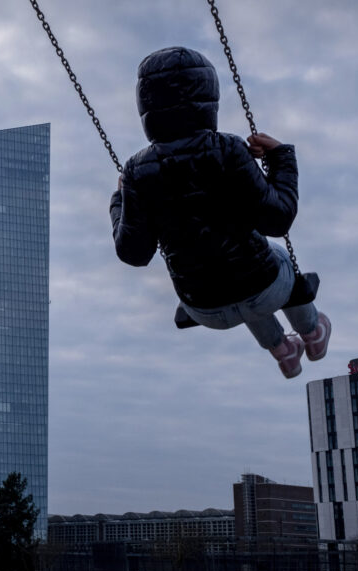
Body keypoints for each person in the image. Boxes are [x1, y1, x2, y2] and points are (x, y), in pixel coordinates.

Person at [109, 46, 330, 378]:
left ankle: (283, 350)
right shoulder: (227, 149)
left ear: (145, 106)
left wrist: (119, 199)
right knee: (267, 262)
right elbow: (278, 218)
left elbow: (134, 253)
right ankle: (313, 333)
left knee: (238, 282)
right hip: (264, 286)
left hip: (204, 309)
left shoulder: (137, 171)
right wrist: (280, 158)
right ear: (208, 99)